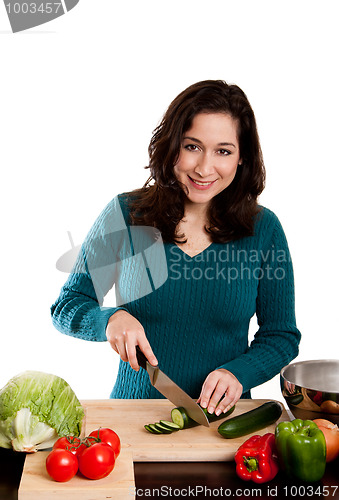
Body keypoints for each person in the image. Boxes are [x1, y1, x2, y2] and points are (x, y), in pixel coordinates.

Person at [51, 80, 301, 417]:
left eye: (223, 151)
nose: (204, 168)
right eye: (192, 146)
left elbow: (280, 335)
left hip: (225, 425)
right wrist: (109, 320)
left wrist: (239, 373)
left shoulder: (264, 230)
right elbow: (67, 304)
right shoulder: (126, 215)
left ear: (242, 158)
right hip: (130, 418)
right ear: (172, 146)